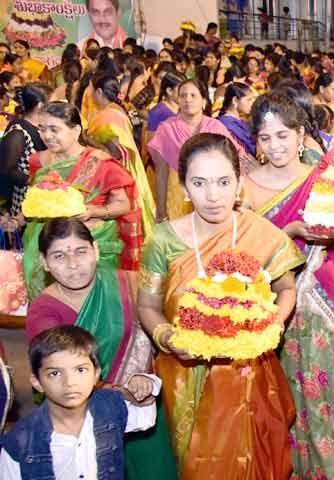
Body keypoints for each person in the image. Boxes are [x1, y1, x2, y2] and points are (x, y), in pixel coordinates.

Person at [138, 133, 302, 479]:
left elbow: (286, 288)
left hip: (249, 373)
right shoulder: (164, 241)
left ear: (239, 184)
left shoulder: (262, 233)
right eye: (199, 183)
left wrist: (274, 324)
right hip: (185, 374)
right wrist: (167, 337)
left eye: (223, 182)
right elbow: (148, 305)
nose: (213, 196)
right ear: (183, 188)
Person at [242, 94, 334, 479]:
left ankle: (329, 468)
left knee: (322, 385)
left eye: (282, 134)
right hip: (266, 299)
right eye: (265, 137)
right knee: (275, 393)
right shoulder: (243, 185)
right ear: (256, 142)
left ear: (300, 135)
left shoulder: (323, 179)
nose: (275, 145)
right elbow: (238, 246)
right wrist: (289, 231)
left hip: (320, 296)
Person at [24, 218, 177, 479]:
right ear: (44, 261)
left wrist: (144, 382)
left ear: (95, 250)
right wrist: (121, 392)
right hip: (83, 417)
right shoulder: (43, 310)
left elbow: (157, 335)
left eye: (80, 251)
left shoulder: (129, 285)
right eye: (59, 256)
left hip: (145, 404)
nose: (73, 265)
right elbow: (57, 371)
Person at [0, 325, 163, 478]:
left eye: (80, 370)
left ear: (96, 374)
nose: (70, 382)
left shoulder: (109, 408)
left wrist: (143, 383)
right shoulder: (18, 442)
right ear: (37, 382)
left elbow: (144, 416)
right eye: (55, 373)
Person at [20, 102, 141, 296]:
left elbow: (123, 203)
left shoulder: (99, 161)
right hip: (45, 243)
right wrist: (17, 218)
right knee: (52, 303)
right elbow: (38, 199)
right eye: (42, 129)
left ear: (75, 130)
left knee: (92, 301)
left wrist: (92, 211)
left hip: (91, 241)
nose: (47, 135)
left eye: (54, 129)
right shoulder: (38, 160)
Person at [148, 79, 245, 222]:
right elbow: (161, 173)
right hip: (178, 197)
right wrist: (161, 211)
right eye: (183, 95)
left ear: (204, 101)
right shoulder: (167, 129)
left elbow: (234, 162)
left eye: (193, 95)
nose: (188, 100)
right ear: (178, 101)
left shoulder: (215, 127)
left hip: (212, 195)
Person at [85, 75, 156, 239]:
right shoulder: (116, 111)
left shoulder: (107, 116)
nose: (90, 95)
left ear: (99, 92)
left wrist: (89, 141)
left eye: (91, 91)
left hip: (117, 176)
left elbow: (117, 152)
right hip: (128, 171)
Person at [0, 83, 48, 218]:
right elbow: (6, 170)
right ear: (40, 106)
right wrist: (35, 180)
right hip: (25, 200)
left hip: (42, 196)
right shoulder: (18, 133)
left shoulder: (42, 126)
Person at [217, 82, 257, 157]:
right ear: (235, 100)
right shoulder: (228, 123)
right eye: (249, 100)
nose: (252, 103)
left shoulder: (235, 120)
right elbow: (252, 149)